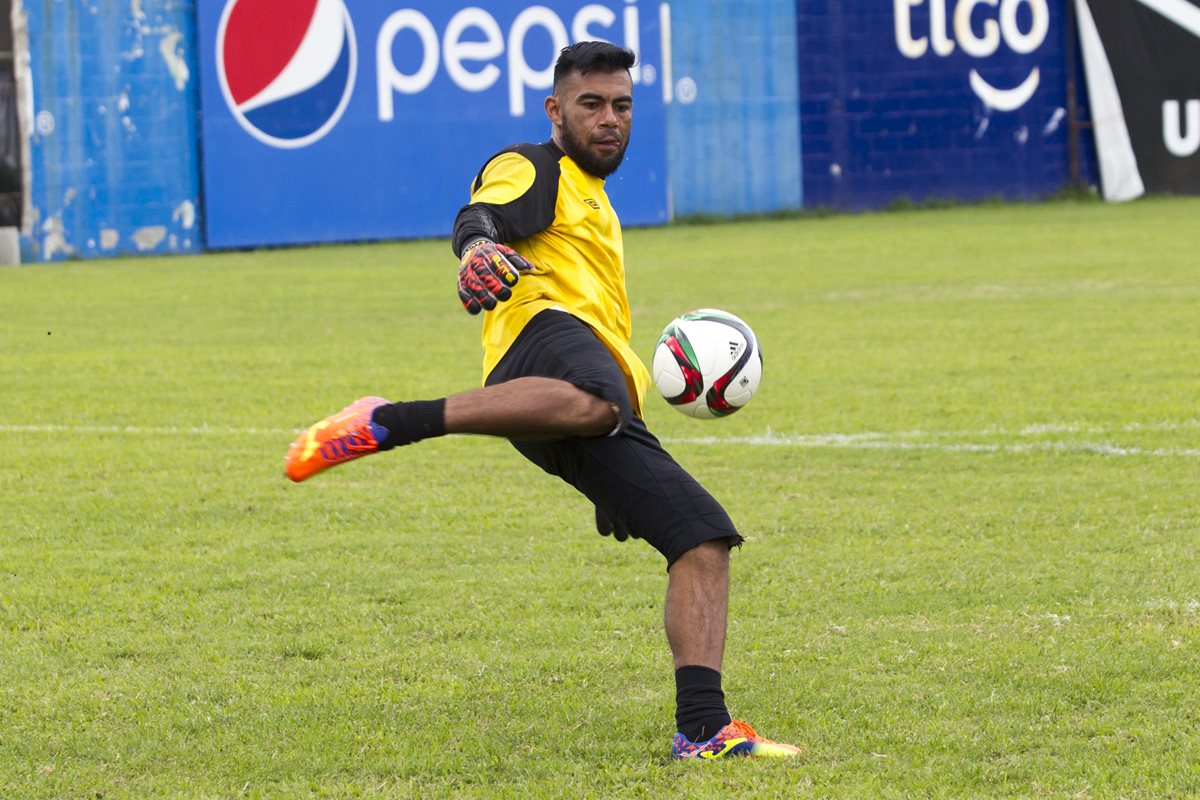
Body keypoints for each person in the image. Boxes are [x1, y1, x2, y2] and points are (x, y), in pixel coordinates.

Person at [285, 41, 799, 761]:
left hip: (593, 393)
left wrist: (614, 478)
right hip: (544, 341)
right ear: (556, 110)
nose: (609, 119)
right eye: (591, 104)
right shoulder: (536, 165)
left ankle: (704, 732)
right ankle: (386, 422)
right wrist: (475, 250)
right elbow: (486, 213)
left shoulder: (598, 201)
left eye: (622, 105)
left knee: (702, 539)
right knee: (594, 398)